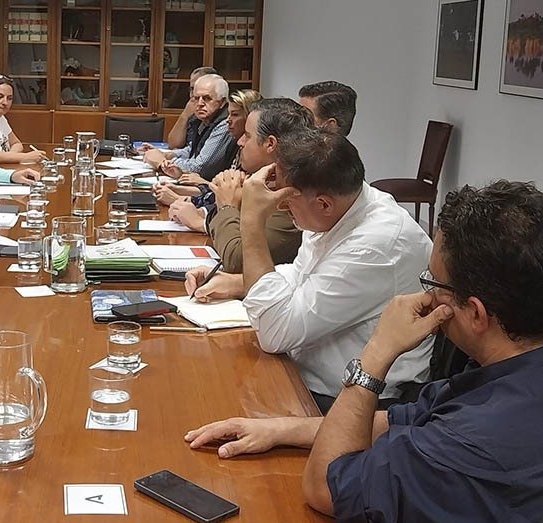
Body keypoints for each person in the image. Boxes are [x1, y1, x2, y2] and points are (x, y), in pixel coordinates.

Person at [280, 180, 543, 521]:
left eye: (433, 281)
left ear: (476, 314)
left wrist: (376, 353)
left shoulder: (464, 443)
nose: (427, 294)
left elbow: (326, 487)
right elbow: (402, 420)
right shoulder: (506, 369)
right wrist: (281, 430)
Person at [184, 128, 432, 412]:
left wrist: (251, 221)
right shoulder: (341, 205)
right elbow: (304, 274)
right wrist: (239, 282)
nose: (280, 207)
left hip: (352, 401)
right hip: (306, 370)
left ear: (324, 204)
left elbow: (275, 333)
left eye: (286, 203)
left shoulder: (376, 244)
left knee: (203, 399)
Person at [170, 98, 307, 273]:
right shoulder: (263, 181)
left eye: (247, 136)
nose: (240, 142)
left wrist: (227, 205)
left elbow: (237, 261)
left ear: (270, 144)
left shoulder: (289, 195)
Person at [155, 89, 263, 234]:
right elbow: (219, 191)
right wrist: (184, 192)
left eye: (235, 115)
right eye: (194, 96)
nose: (228, 120)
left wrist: (186, 201)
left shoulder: (254, 156)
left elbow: (233, 201)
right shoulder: (235, 143)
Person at [141, 74, 236, 183]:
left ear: (222, 102)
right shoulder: (203, 119)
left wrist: (163, 161)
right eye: (196, 98)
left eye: (207, 98)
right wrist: (168, 154)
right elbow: (193, 150)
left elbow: (199, 167)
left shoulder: (224, 124)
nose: (200, 104)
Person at [162, 66, 218, 149]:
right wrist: (185, 115)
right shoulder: (192, 114)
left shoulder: (218, 120)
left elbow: (200, 158)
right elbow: (174, 144)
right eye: (192, 89)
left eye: (198, 88)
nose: (194, 94)